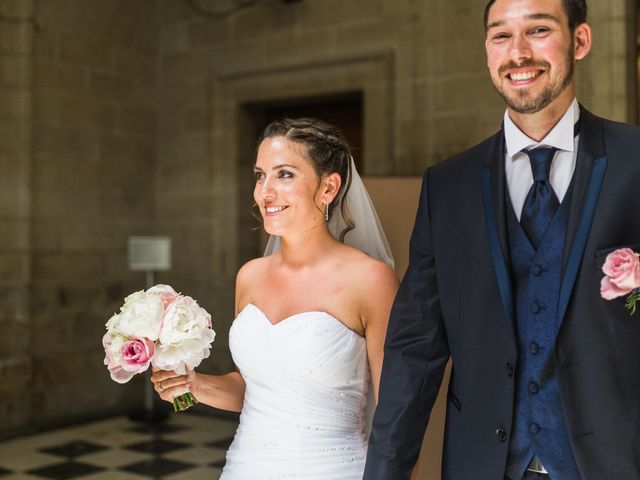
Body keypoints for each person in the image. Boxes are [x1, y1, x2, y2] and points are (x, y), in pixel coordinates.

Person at [364, 0, 640, 479]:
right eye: (500, 35)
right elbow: (415, 350)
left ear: (580, 40)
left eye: (538, 30)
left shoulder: (635, 163)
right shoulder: (447, 187)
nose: (518, 53)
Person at [151, 117, 398, 479]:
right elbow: (253, 389)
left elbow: (397, 413)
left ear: (328, 187)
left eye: (284, 174)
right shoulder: (249, 276)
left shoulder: (370, 280)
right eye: (259, 175)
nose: (265, 192)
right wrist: (191, 385)